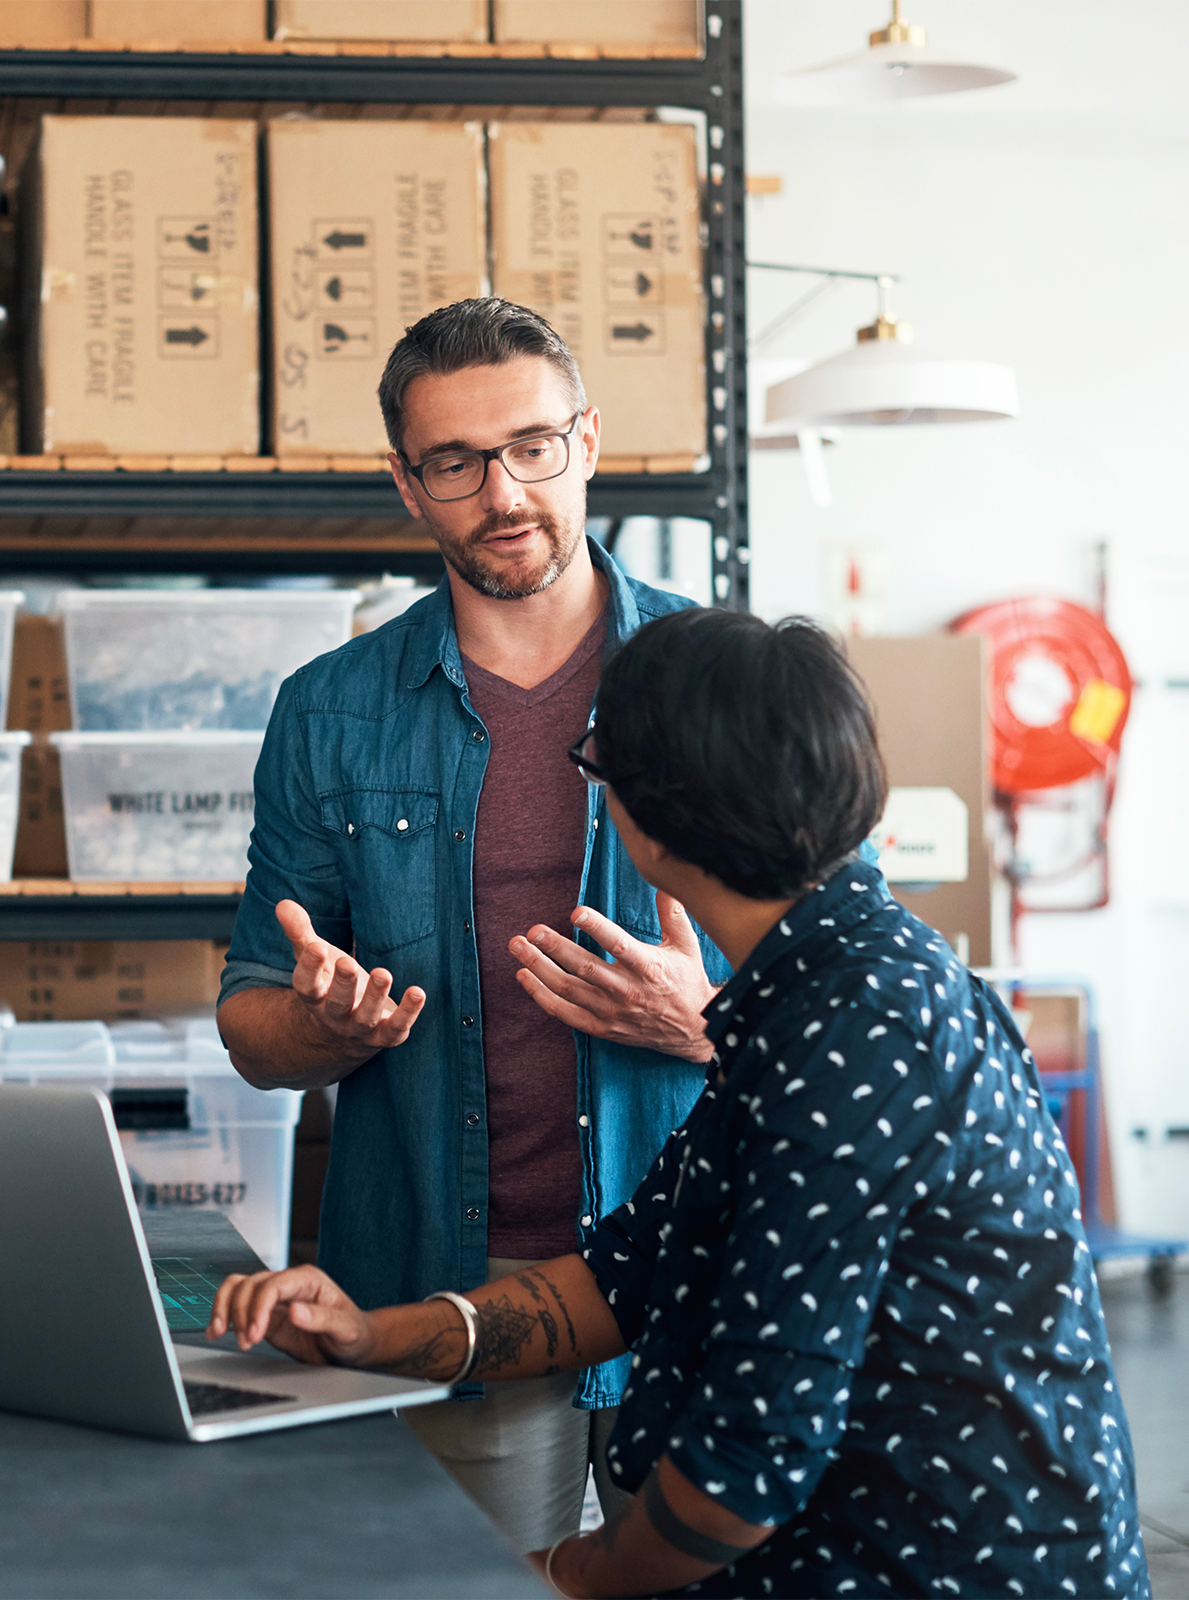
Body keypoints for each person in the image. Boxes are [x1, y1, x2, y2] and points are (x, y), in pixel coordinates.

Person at [208, 608, 1146, 1600]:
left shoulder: (853, 1035)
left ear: (648, 821)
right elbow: (628, 1273)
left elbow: (745, 1466)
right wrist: (373, 1333)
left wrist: (556, 1575)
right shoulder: (814, 991)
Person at [217, 298, 730, 1550]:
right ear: (408, 485)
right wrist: (322, 1028)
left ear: (589, 441)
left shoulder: (731, 678)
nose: (503, 492)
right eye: (456, 462)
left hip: (708, 1281)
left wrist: (707, 1021)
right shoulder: (330, 712)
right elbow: (248, 1023)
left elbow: (877, 1000)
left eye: (533, 447)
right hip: (445, 1290)